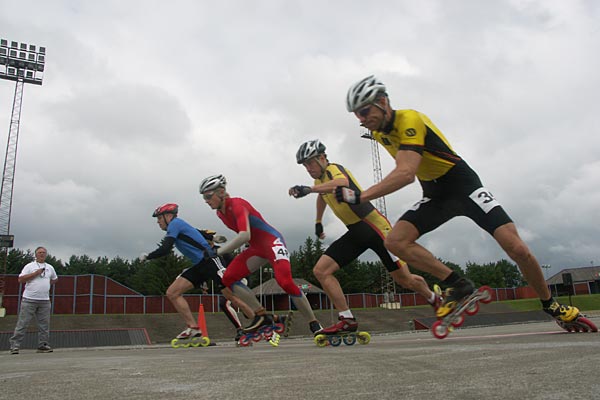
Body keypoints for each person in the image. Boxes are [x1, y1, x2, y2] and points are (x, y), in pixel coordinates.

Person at [338, 75, 582, 324]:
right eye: (357, 115)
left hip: (463, 185)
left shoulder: (409, 119)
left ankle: (550, 304)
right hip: (436, 193)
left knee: (517, 249)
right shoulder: (380, 134)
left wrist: (361, 196)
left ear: (382, 101)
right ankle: (458, 284)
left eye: (365, 111)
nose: (362, 119)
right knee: (395, 242)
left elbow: (406, 173)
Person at [289, 139, 441, 334]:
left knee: (405, 280)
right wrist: (318, 221)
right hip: (356, 232)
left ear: (322, 158)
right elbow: (322, 196)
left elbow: (342, 183)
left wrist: (309, 189)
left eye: (310, 163)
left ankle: (434, 299)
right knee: (321, 271)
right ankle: (347, 318)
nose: (308, 168)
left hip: (376, 229)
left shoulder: (334, 169)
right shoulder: (319, 182)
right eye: (305, 165)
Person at [199, 174, 323, 335]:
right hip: (257, 248)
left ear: (221, 192)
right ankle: (262, 315)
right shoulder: (220, 213)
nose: (206, 200)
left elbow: (244, 235)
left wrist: (219, 251)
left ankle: (315, 324)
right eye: (204, 197)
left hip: (272, 242)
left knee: (285, 282)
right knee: (228, 278)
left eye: (209, 196)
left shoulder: (237, 204)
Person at [142, 203, 256, 342]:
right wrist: (212, 237)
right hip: (200, 265)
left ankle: (261, 323)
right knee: (172, 292)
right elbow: (197, 232)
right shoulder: (178, 226)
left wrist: (148, 256)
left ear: (168, 216)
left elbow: (166, 248)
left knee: (231, 298)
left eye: (159, 218)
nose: (158, 222)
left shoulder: (175, 224)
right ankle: (193, 328)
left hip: (211, 262)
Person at [9, 246, 58, 354]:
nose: (42, 254)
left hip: (44, 300)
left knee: (44, 325)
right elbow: (20, 279)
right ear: (36, 255)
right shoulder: (29, 266)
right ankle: (15, 346)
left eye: (44, 252)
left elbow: (55, 279)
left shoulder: (50, 267)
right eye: (40, 252)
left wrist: (45, 285)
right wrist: (35, 273)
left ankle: (43, 345)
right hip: (29, 300)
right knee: (23, 323)